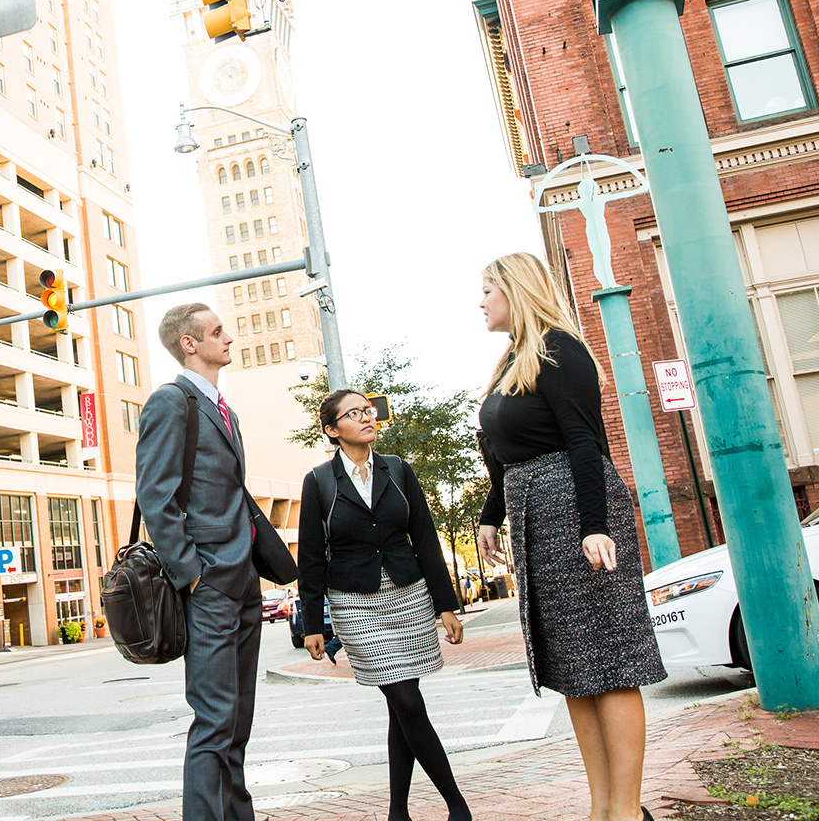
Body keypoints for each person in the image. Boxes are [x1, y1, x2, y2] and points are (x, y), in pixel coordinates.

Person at [476, 253, 666, 821]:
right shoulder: (512, 359)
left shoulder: (561, 350)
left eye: (487, 290)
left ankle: (627, 811)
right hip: (535, 512)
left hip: (576, 510)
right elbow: (507, 452)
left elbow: (585, 441)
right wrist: (491, 513)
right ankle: (601, 808)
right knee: (575, 670)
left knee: (612, 660)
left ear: (516, 290)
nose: (479, 302)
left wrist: (594, 526)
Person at [136, 302, 290, 821]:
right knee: (214, 720)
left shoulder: (225, 409)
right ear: (189, 343)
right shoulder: (171, 402)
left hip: (243, 579)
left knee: (237, 719)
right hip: (209, 582)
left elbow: (229, 493)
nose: (229, 339)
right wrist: (193, 575)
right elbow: (157, 497)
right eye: (217, 332)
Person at [297, 388, 472, 821]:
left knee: (402, 704)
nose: (366, 417)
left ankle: (398, 812)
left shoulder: (397, 470)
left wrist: (445, 604)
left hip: (409, 596)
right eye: (353, 414)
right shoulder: (319, 481)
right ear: (332, 430)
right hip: (354, 603)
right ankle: (458, 807)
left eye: (367, 410)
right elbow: (312, 556)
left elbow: (426, 538)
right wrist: (313, 622)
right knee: (407, 700)